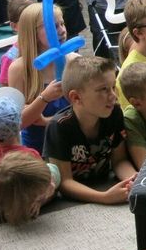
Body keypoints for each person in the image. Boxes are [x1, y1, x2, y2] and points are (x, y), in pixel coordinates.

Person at [43, 57, 137, 204]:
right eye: (103, 89)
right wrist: (103, 197)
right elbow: (65, 182)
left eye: (113, 87)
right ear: (76, 97)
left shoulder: (114, 113)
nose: (113, 96)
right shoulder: (59, 126)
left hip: (105, 183)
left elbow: (119, 160)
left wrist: (134, 180)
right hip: (72, 201)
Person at [8, 4, 77, 154]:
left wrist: (46, 121)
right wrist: (44, 98)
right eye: (53, 26)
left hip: (74, 146)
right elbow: (17, 123)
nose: (62, 30)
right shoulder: (19, 69)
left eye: (62, 23)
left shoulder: (74, 61)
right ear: (32, 33)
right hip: (38, 150)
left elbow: (85, 111)